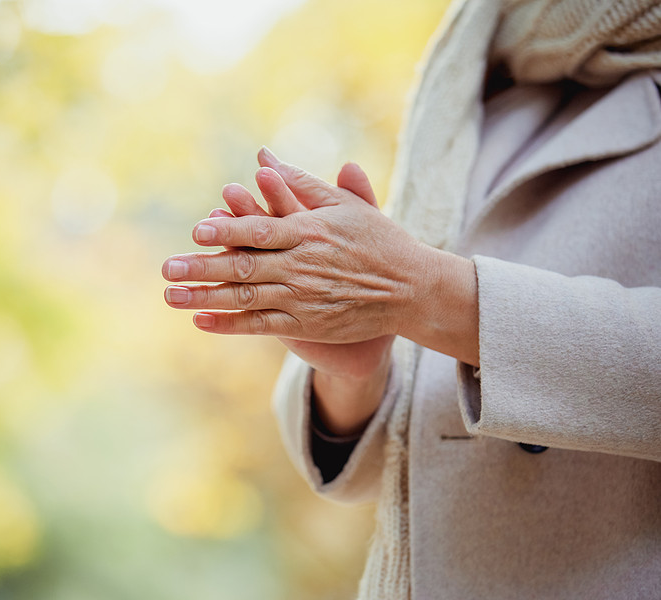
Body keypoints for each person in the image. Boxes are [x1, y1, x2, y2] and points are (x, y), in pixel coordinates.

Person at [162, 0, 661, 598]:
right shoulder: (477, 82)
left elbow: (422, 289)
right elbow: (396, 462)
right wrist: (355, 374)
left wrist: (423, 293)